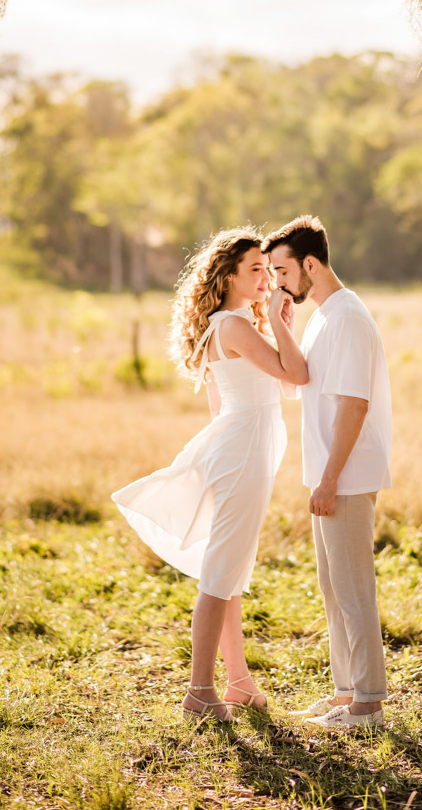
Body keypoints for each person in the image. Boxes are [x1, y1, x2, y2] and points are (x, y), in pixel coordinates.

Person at [111, 227, 308, 722]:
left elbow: (284, 393)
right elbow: (297, 375)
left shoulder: (240, 324)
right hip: (241, 452)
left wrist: (280, 323)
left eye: (268, 268)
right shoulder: (234, 326)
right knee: (221, 572)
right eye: (255, 270)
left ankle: (238, 682)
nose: (267, 278)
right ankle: (200, 691)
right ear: (228, 277)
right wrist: (283, 325)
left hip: (245, 447)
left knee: (231, 570)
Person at [263, 215, 392, 732]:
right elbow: (299, 383)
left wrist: (331, 479)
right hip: (327, 473)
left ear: (310, 264)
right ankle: (346, 692)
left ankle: (368, 705)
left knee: (354, 587)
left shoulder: (348, 319)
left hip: (347, 476)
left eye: (281, 270)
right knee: (333, 587)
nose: (277, 281)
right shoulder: (321, 315)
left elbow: (355, 407)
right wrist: (278, 322)